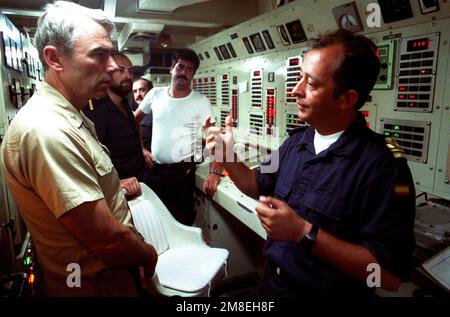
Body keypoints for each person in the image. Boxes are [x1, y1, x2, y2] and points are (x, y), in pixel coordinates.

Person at [206, 30, 416, 296]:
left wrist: (302, 232)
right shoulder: (298, 142)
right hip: (272, 286)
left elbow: (389, 277)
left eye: (312, 83)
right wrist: (228, 156)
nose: (296, 89)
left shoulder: (384, 166)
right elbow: (255, 183)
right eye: (301, 77)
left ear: (347, 99)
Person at [0, 1, 157, 296]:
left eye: (111, 54)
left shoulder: (71, 115)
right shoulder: (47, 129)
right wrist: (147, 255)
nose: (112, 66)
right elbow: (107, 240)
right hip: (94, 286)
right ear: (55, 58)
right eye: (99, 55)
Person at [134, 48, 222, 225]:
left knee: (182, 222)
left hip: (182, 174)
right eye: (180, 67)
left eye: (189, 69)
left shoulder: (200, 101)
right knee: (154, 221)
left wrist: (215, 171)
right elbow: (133, 121)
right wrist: (142, 150)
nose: (184, 72)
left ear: (193, 75)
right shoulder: (154, 95)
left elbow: (214, 137)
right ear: (172, 69)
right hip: (155, 171)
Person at [83, 53, 155, 181]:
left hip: (141, 179)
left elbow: (135, 127)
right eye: (121, 70)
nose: (128, 76)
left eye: (131, 71)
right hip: (121, 189)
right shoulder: (95, 110)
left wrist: (142, 149)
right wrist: (118, 183)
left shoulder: (125, 103)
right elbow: (89, 161)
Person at [132, 77, 154, 151]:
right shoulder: (132, 114)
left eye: (142, 90)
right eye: (135, 91)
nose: (138, 94)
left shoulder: (156, 115)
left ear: (150, 92)